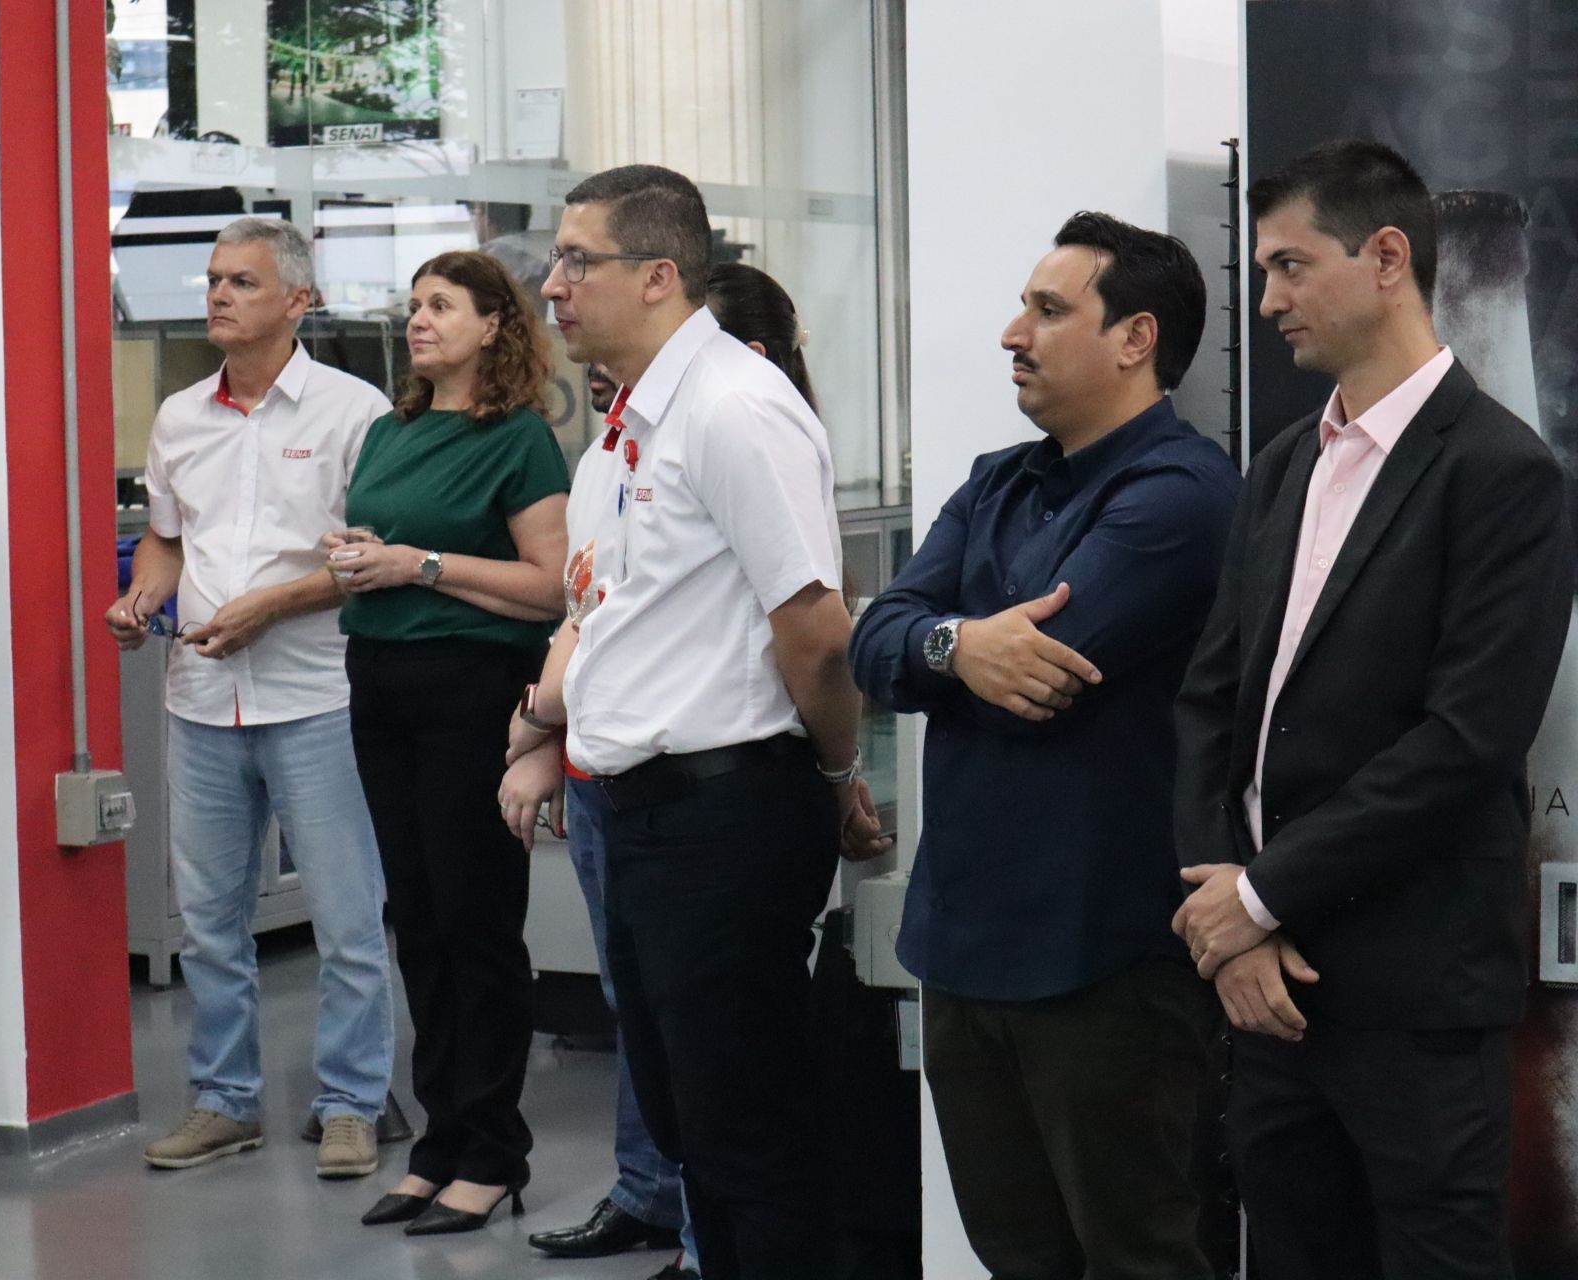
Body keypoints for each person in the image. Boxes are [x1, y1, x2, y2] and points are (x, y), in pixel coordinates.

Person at [1172, 139, 1574, 1279]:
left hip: (1412, 995)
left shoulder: (1505, 474)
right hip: (1266, 987)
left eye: (1291, 266)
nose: (1268, 301)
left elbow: (1466, 741)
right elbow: (1211, 701)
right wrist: (1225, 916)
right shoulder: (1284, 466)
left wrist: (1258, 893)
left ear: (1387, 256)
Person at [848, 212, 1238, 1277]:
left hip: (1103, 962)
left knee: (1138, 1251)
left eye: (1049, 309)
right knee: (1015, 1252)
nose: (1013, 332)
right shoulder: (995, 480)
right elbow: (873, 639)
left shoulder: (1183, 495)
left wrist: (946, 643)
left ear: (1135, 338)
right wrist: (955, 642)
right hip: (965, 949)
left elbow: (1047, 668)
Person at [532, 164, 884, 1280]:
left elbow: (816, 631)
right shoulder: (625, 433)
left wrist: (839, 772)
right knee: (689, 1119)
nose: (552, 285)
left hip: (727, 810)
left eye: (576, 260)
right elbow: (607, 616)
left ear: (659, 275)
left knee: (747, 1126)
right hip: (637, 812)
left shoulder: (736, 408)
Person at [105, 216, 398, 1180]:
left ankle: (352, 1102)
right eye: (214, 280)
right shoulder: (182, 416)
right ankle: (224, 1100)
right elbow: (166, 537)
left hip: (316, 694)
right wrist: (145, 589)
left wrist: (272, 605)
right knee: (210, 918)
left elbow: (369, 560)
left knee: (348, 916)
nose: (218, 296)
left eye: (242, 281)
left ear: (298, 302)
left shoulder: (356, 412)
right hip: (199, 697)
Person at [330, 249, 570, 1236]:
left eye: (443, 305)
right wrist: (362, 564)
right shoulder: (394, 430)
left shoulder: (518, 439)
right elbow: (384, 552)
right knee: (417, 921)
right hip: (380, 683)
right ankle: (437, 1138)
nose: (419, 319)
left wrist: (419, 565)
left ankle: (493, 1146)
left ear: (493, 328)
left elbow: (552, 584)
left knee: (475, 922)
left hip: (472, 688)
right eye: (415, 303)